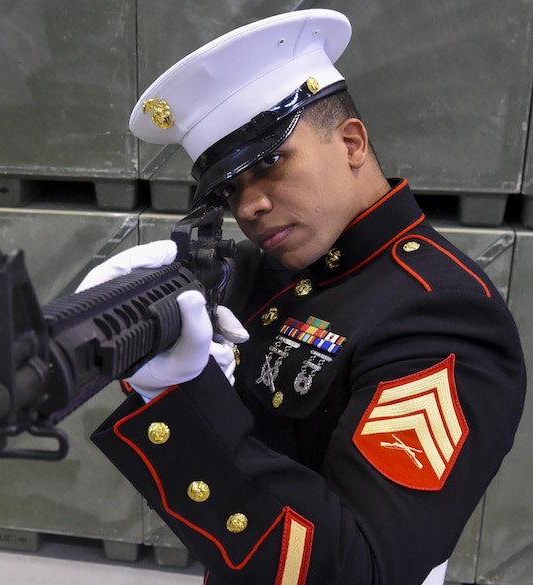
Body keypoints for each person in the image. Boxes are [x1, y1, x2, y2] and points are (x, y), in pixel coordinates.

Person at [76, 9, 526, 585]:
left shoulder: (441, 316)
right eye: (230, 189)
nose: (249, 207)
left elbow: (357, 569)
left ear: (352, 142)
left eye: (270, 164)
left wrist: (182, 400)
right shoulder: (279, 269)